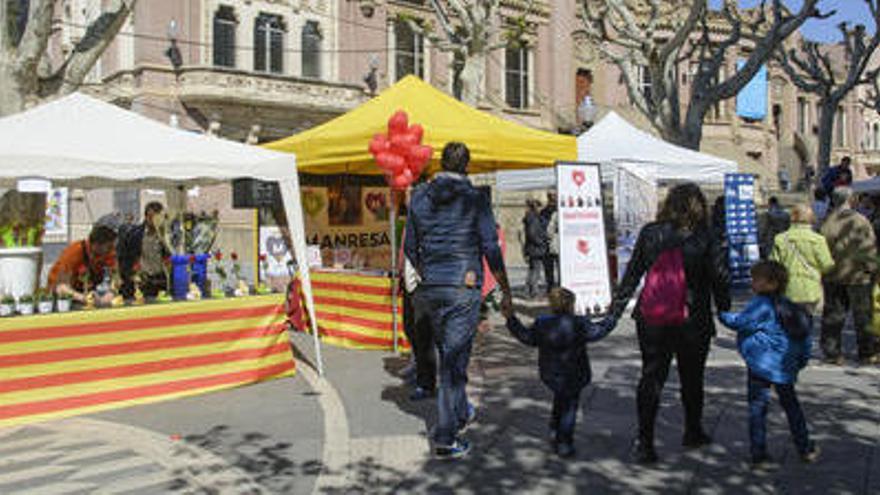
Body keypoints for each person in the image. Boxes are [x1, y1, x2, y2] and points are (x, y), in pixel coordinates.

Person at [606, 183, 731, 464]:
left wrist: (615, 311)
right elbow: (719, 277)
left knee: (651, 376)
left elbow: (633, 273)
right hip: (693, 317)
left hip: (653, 316)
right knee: (692, 378)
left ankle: (645, 441)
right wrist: (724, 309)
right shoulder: (706, 236)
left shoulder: (651, 233)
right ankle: (692, 430)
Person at [405, 142, 513, 460]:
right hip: (462, 284)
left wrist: (428, 270)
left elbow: (411, 247)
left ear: (441, 163)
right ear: (467, 166)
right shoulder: (475, 197)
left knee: (451, 354)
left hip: (433, 285)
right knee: (453, 363)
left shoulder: (420, 196)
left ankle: (460, 411)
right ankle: (446, 436)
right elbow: (490, 246)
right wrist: (504, 287)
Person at [719, 261, 819, 469]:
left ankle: (759, 454)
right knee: (792, 406)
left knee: (757, 408)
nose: (752, 282)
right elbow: (804, 339)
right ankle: (805, 447)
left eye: (756, 279)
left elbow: (740, 322)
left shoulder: (761, 305)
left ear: (771, 283)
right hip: (784, 366)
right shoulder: (791, 307)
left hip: (760, 365)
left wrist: (722, 313)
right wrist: (801, 361)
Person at [504, 287, 610, 458]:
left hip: (551, 373)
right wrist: (612, 318)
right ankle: (564, 442)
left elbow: (526, 337)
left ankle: (555, 426)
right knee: (570, 405)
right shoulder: (579, 323)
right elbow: (598, 332)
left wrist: (511, 319)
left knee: (561, 396)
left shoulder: (542, 323)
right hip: (575, 372)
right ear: (571, 305)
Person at [820, 187, 879, 365]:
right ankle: (866, 352)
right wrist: (873, 269)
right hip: (858, 275)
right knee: (862, 316)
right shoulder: (860, 221)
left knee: (833, 315)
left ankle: (832, 352)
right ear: (850, 199)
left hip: (833, 274)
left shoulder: (827, 221)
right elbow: (868, 247)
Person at [770, 204, 835, 317]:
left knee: (789, 324)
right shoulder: (818, 240)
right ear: (811, 218)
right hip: (811, 289)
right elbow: (827, 265)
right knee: (806, 323)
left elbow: (773, 265)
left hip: (787, 289)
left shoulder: (780, 239)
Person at [48, 224, 118, 305]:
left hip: (87, 293)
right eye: (109, 247)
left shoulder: (107, 253)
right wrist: (83, 298)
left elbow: (116, 276)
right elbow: (61, 287)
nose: (111, 250)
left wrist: (111, 292)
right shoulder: (73, 253)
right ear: (96, 245)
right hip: (64, 298)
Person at [118, 202, 170, 299]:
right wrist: (129, 275)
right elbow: (124, 257)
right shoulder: (134, 235)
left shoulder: (165, 236)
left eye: (158, 218)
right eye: (151, 218)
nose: (155, 221)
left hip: (160, 281)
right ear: (146, 217)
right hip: (141, 282)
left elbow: (168, 256)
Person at [522, 199, 548, 297]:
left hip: (532, 248)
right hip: (535, 248)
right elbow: (532, 233)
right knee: (536, 270)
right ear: (536, 207)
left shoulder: (531, 217)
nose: (541, 209)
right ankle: (534, 292)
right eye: (539, 206)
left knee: (532, 270)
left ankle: (528, 290)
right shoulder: (532, 218)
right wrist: (541, 243)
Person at [541, 192, 559, 289]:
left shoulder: (560, 211)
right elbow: (541, 228)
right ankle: (550, 288)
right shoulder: (544, 212)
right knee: (548, 269)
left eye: (554, 197)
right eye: (551, 198)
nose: (553, 200)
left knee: (560, 268)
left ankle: (559, 287)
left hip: (557, 245)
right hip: (547, 245)